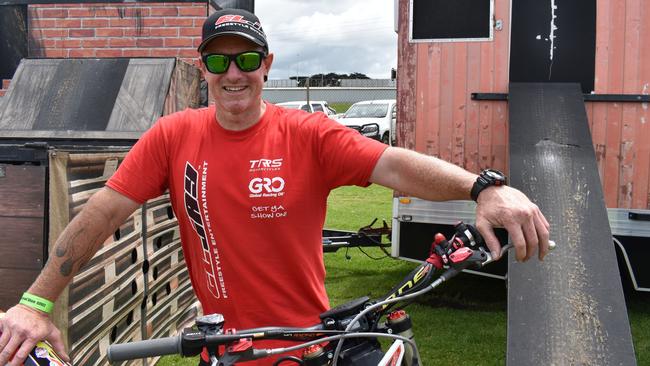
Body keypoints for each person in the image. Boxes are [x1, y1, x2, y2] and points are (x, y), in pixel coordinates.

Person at [0, 8, 550, 366]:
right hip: (222, 352)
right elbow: (101, 211)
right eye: (218, 59)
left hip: (307, 350)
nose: (232, 72)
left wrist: (484, 186)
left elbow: (395, 165)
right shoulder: (172, 136)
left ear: (267, 65)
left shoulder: (307, 135)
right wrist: (36, 299)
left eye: (245, 59)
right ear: (204, 68)